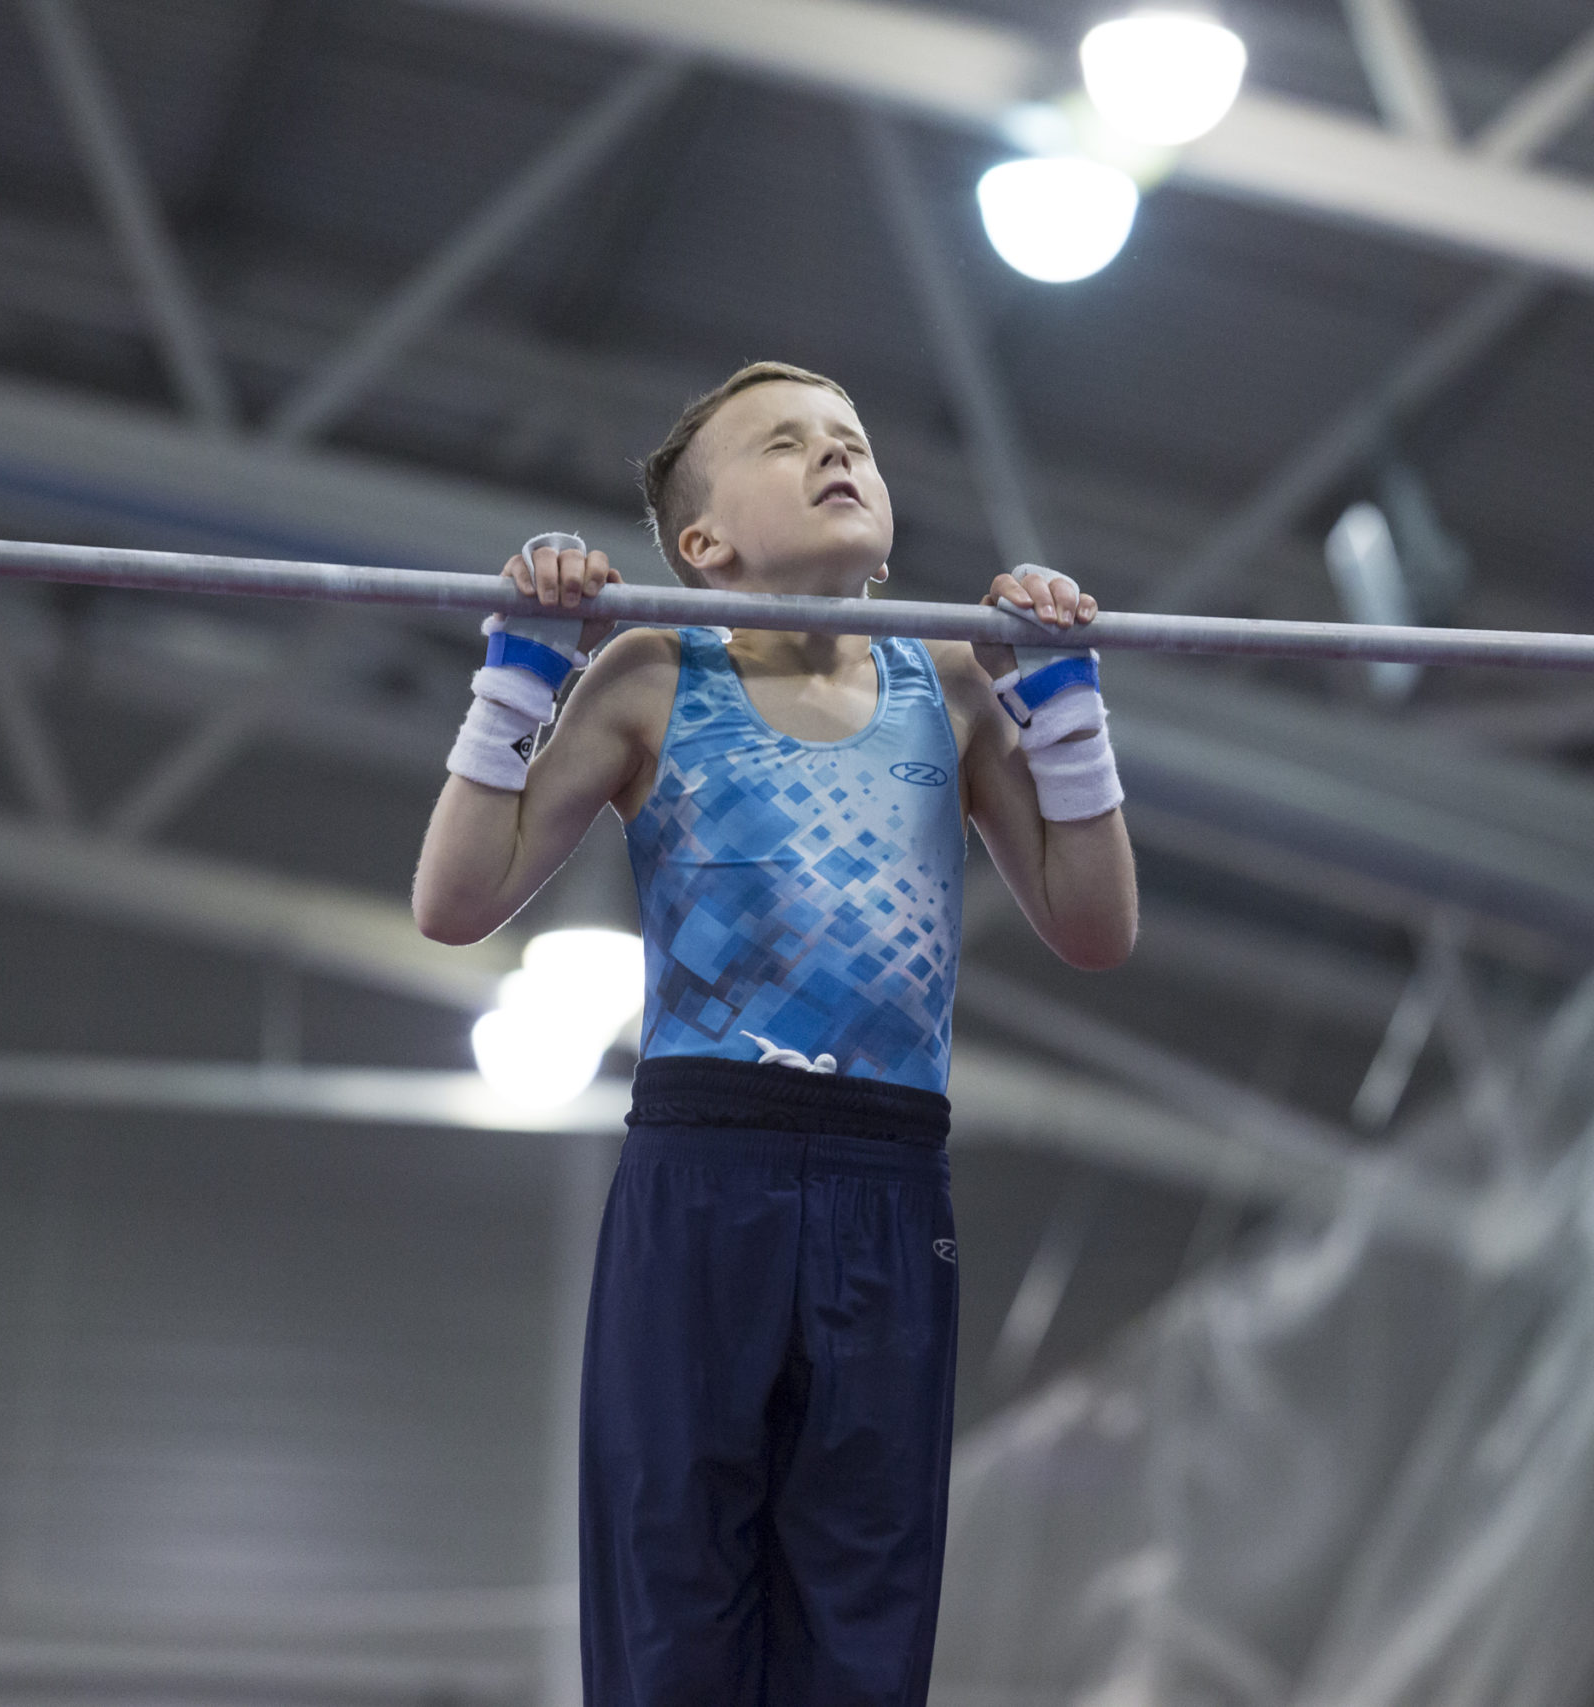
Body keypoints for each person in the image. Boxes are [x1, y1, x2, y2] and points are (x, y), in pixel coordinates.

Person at [412, 360, 1138, 1706]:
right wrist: (521, 668)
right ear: (704, 544)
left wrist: (1068, 709)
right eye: (788, 442)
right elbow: (453, 901)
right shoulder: (648, 669)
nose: (837, 455)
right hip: (706, 1174)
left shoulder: (954, 687)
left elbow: (1094, 928)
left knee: (862, 1612)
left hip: (888, 1181)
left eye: (853, 438)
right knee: (670, 1583)